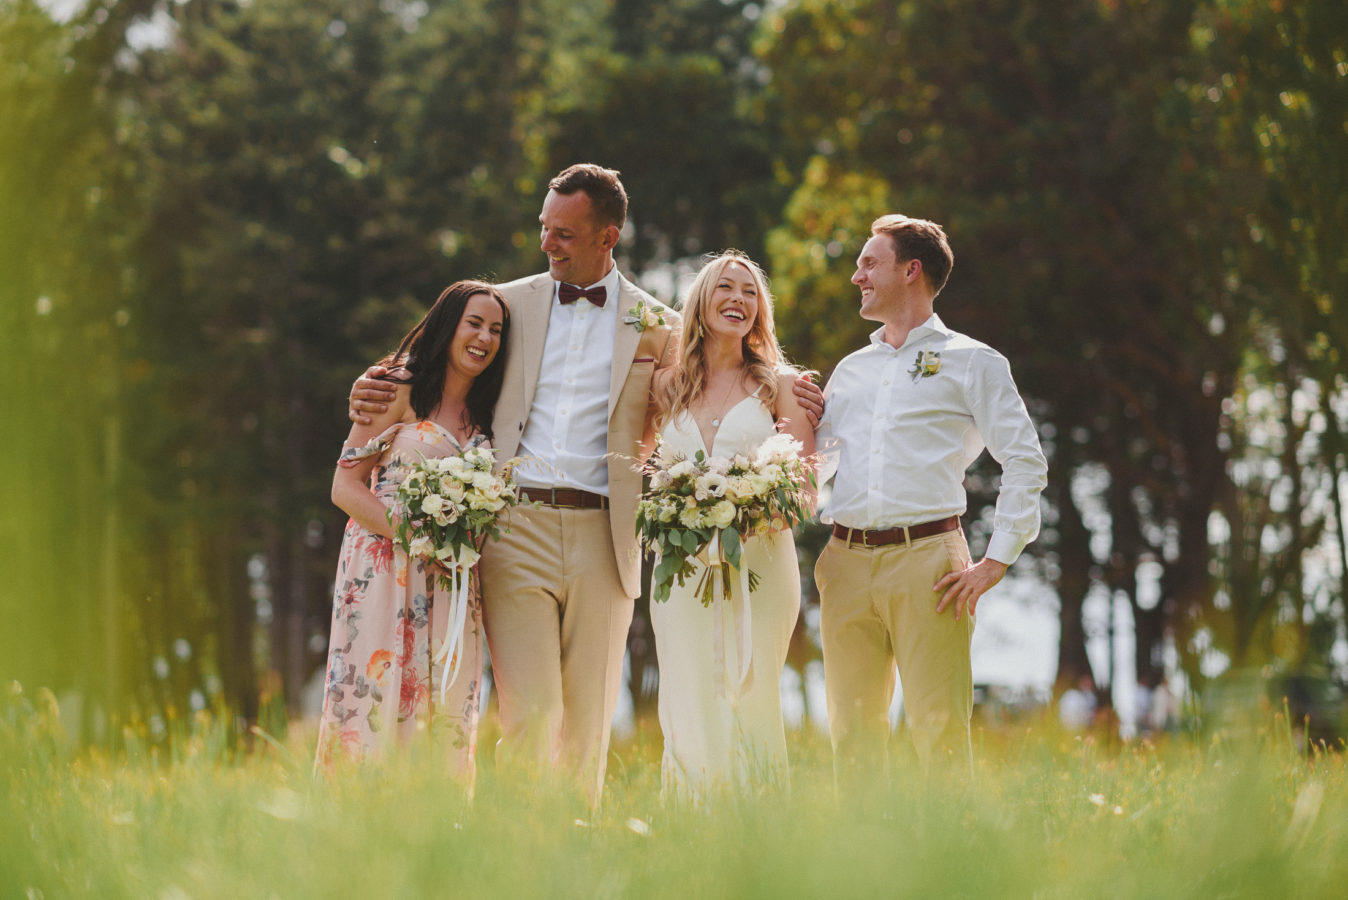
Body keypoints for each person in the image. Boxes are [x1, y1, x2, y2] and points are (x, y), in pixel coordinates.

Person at [350, 164, 824, 805]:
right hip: (514, 525)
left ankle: (577, 855)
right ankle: (523, 855)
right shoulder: (508, 305)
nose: (549, 243)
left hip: (609, 534)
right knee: (531, 712)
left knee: (589, 718)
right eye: (546, 229)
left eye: (565, 234)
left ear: (609, 235)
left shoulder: (659, 325)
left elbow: (718, 378)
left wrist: (796, 395)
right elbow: (443, 353)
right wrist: (379, 385)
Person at [814, 215, 1048, 785]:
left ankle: (949, 867)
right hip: (843, 562)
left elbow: (1024, 459)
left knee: (938, 726)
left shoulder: (976, 362)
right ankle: (864, 864)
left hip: (929, 562)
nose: (856, 276)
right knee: (852, 728)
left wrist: (997, 559)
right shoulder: (849, 370)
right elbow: (816, 467)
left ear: (910, 270)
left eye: (869, 263)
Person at [316, 280, 510, 783]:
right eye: (474, 323)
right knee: (377, 695)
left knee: (443, 707)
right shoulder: (398, 388)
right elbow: (345, 486)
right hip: (385, 571)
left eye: (496, 329)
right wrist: (412, 535)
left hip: (451, 582)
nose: (484, 338)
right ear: (448, 325)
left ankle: (435, 834)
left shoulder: (490, 413)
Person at [646, 251, 815, 803]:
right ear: (701, 301)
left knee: (753, 684)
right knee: (688, 683)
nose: (737, 300)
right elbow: (644, 472)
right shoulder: (666, 386)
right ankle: (692, 817)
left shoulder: (780, 386)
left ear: (759, 311)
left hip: (761, 560)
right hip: (682, 566)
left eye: (749, 292)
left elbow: (807, 489)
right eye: (726, 288)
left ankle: (757, 822)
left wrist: (746, 513)